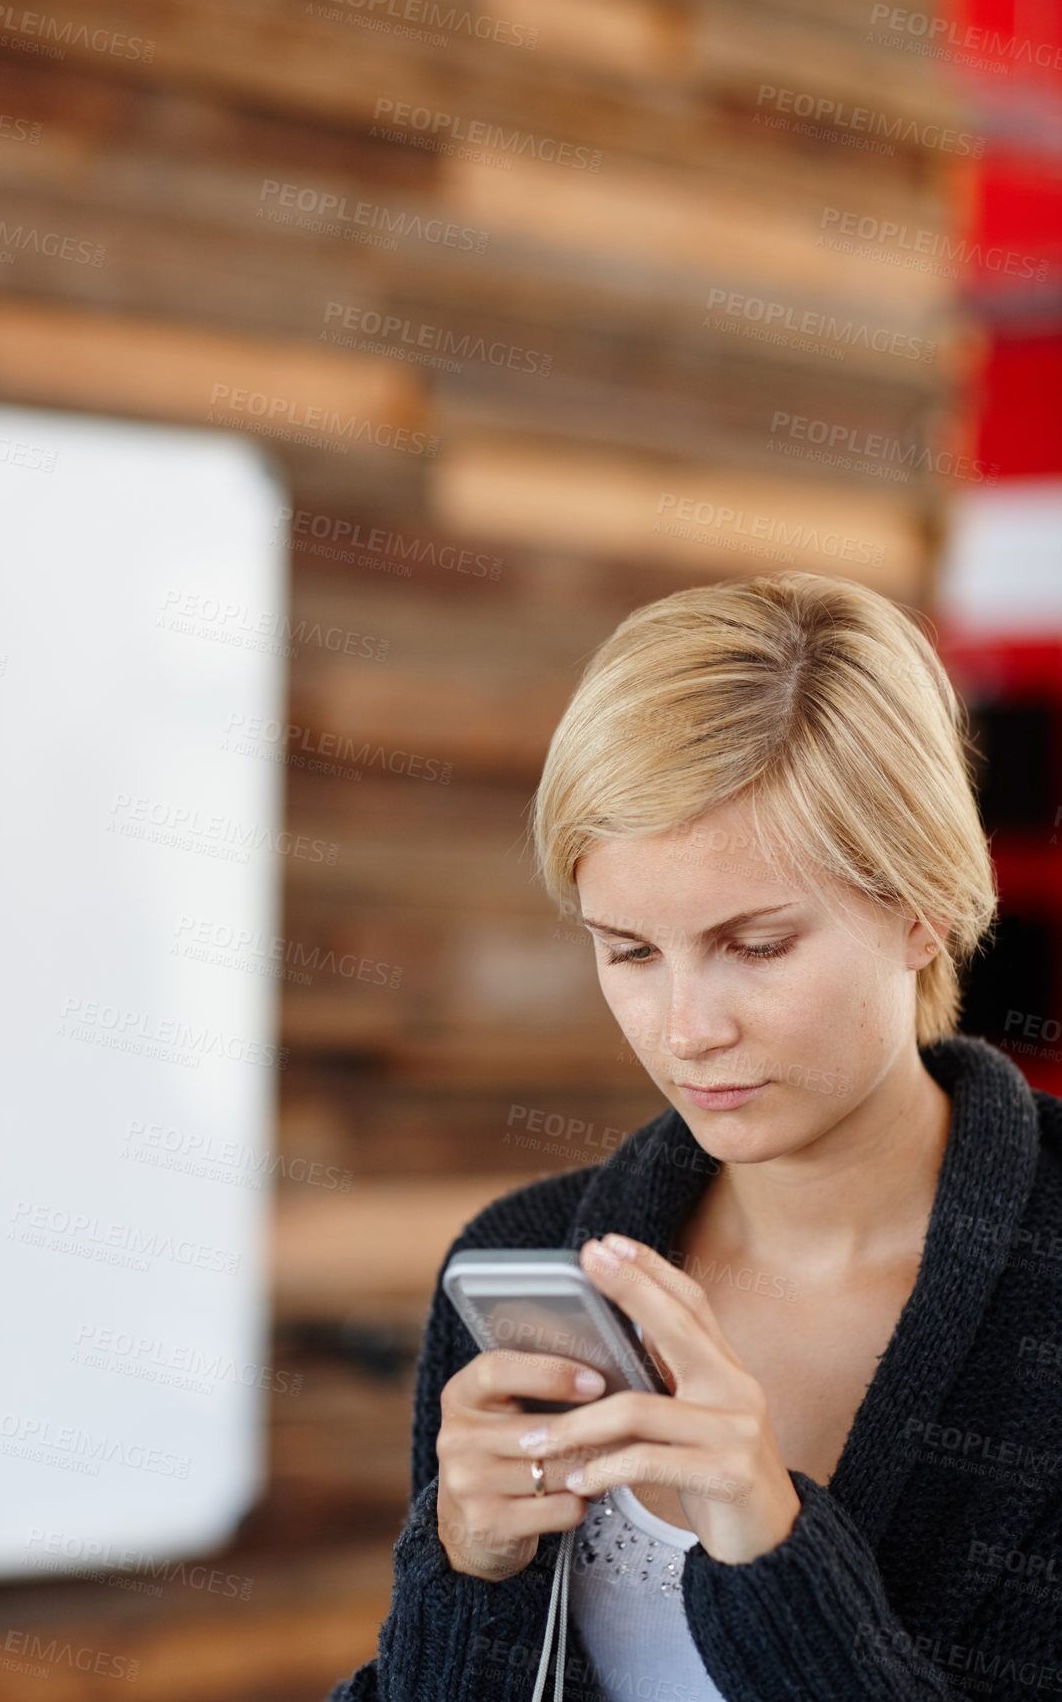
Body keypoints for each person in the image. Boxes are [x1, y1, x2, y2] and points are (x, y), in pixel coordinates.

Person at [326, 571, 1062, 1701]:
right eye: (627, 950)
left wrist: (771, 1549)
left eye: (755, 945)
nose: (684, 1030)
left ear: (920, 907)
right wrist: (465, 1570)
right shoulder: (528, 1258)